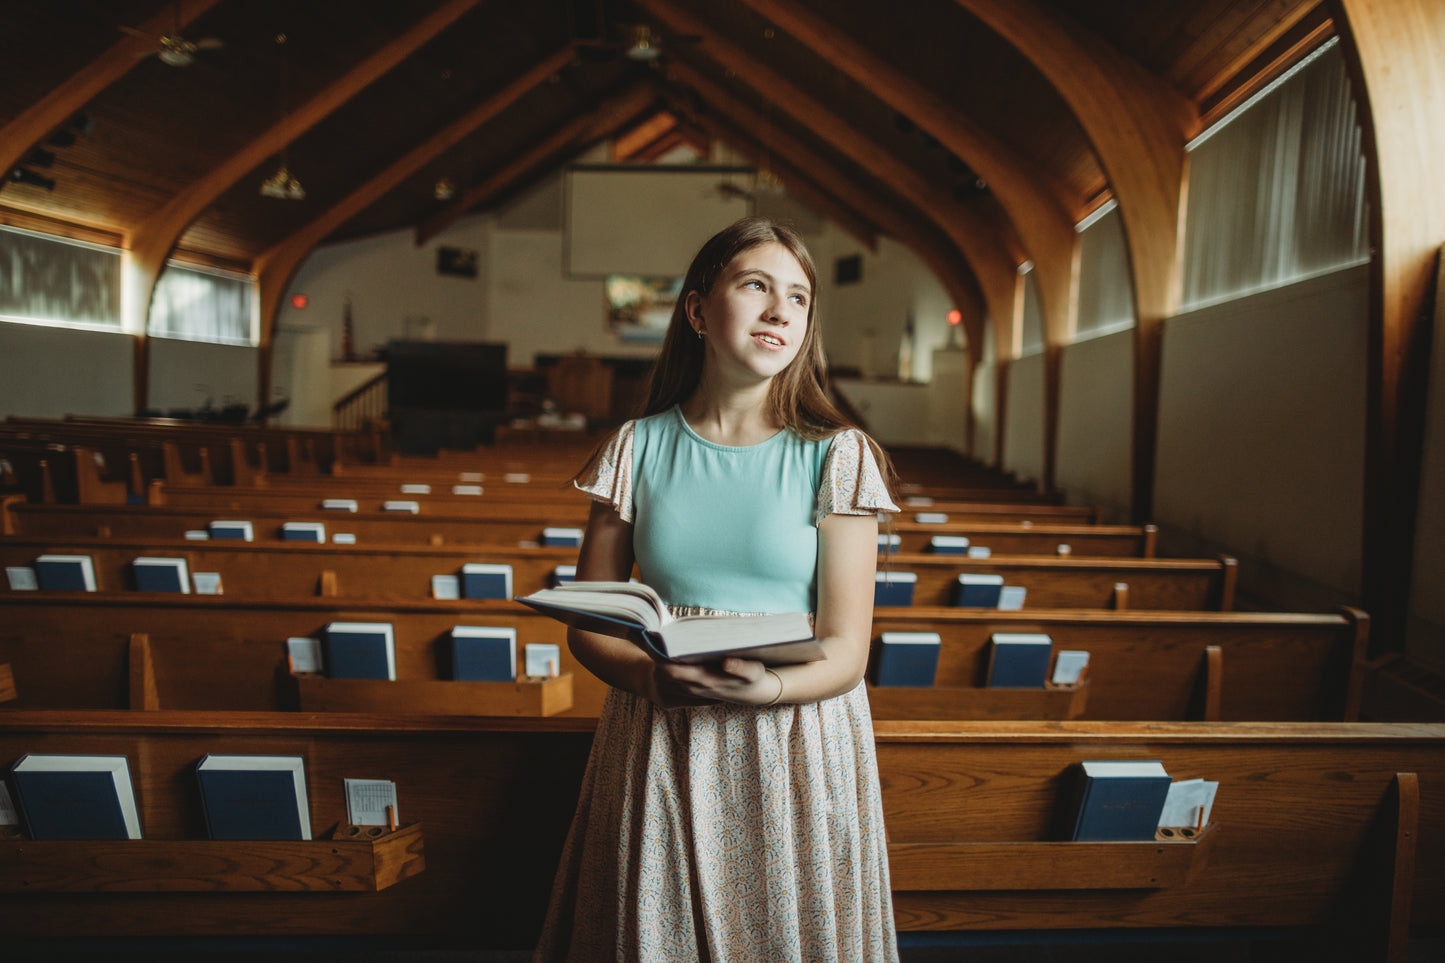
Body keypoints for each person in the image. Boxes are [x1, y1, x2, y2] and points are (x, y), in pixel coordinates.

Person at [533, 216, 901, 962]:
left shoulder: (837, 455)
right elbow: (590, 620)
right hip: (662, 726)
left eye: (797, 298)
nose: (779, 312)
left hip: (792, 734)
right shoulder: (635, 448)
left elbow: (846, 650)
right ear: (697, 310)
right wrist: (647, 674)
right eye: (755, 286)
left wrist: (761, 689)